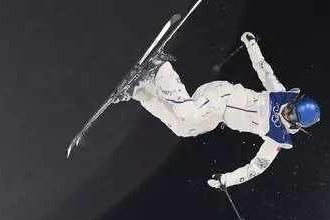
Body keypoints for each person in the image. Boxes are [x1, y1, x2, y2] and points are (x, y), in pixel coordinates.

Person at [130, 32, 320, 190]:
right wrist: (251, 45)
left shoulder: (277, 138)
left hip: (217, 116)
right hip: (222, 95)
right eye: (292, 107)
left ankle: (142, 90)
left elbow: (256, 167)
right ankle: (162, 70)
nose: (287, 111)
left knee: (184, 129)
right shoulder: (280, 95)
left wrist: (227, 180)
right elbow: (264, 70)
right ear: (295, 101)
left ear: (297, 124)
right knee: (189, 116)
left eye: (292, 115)